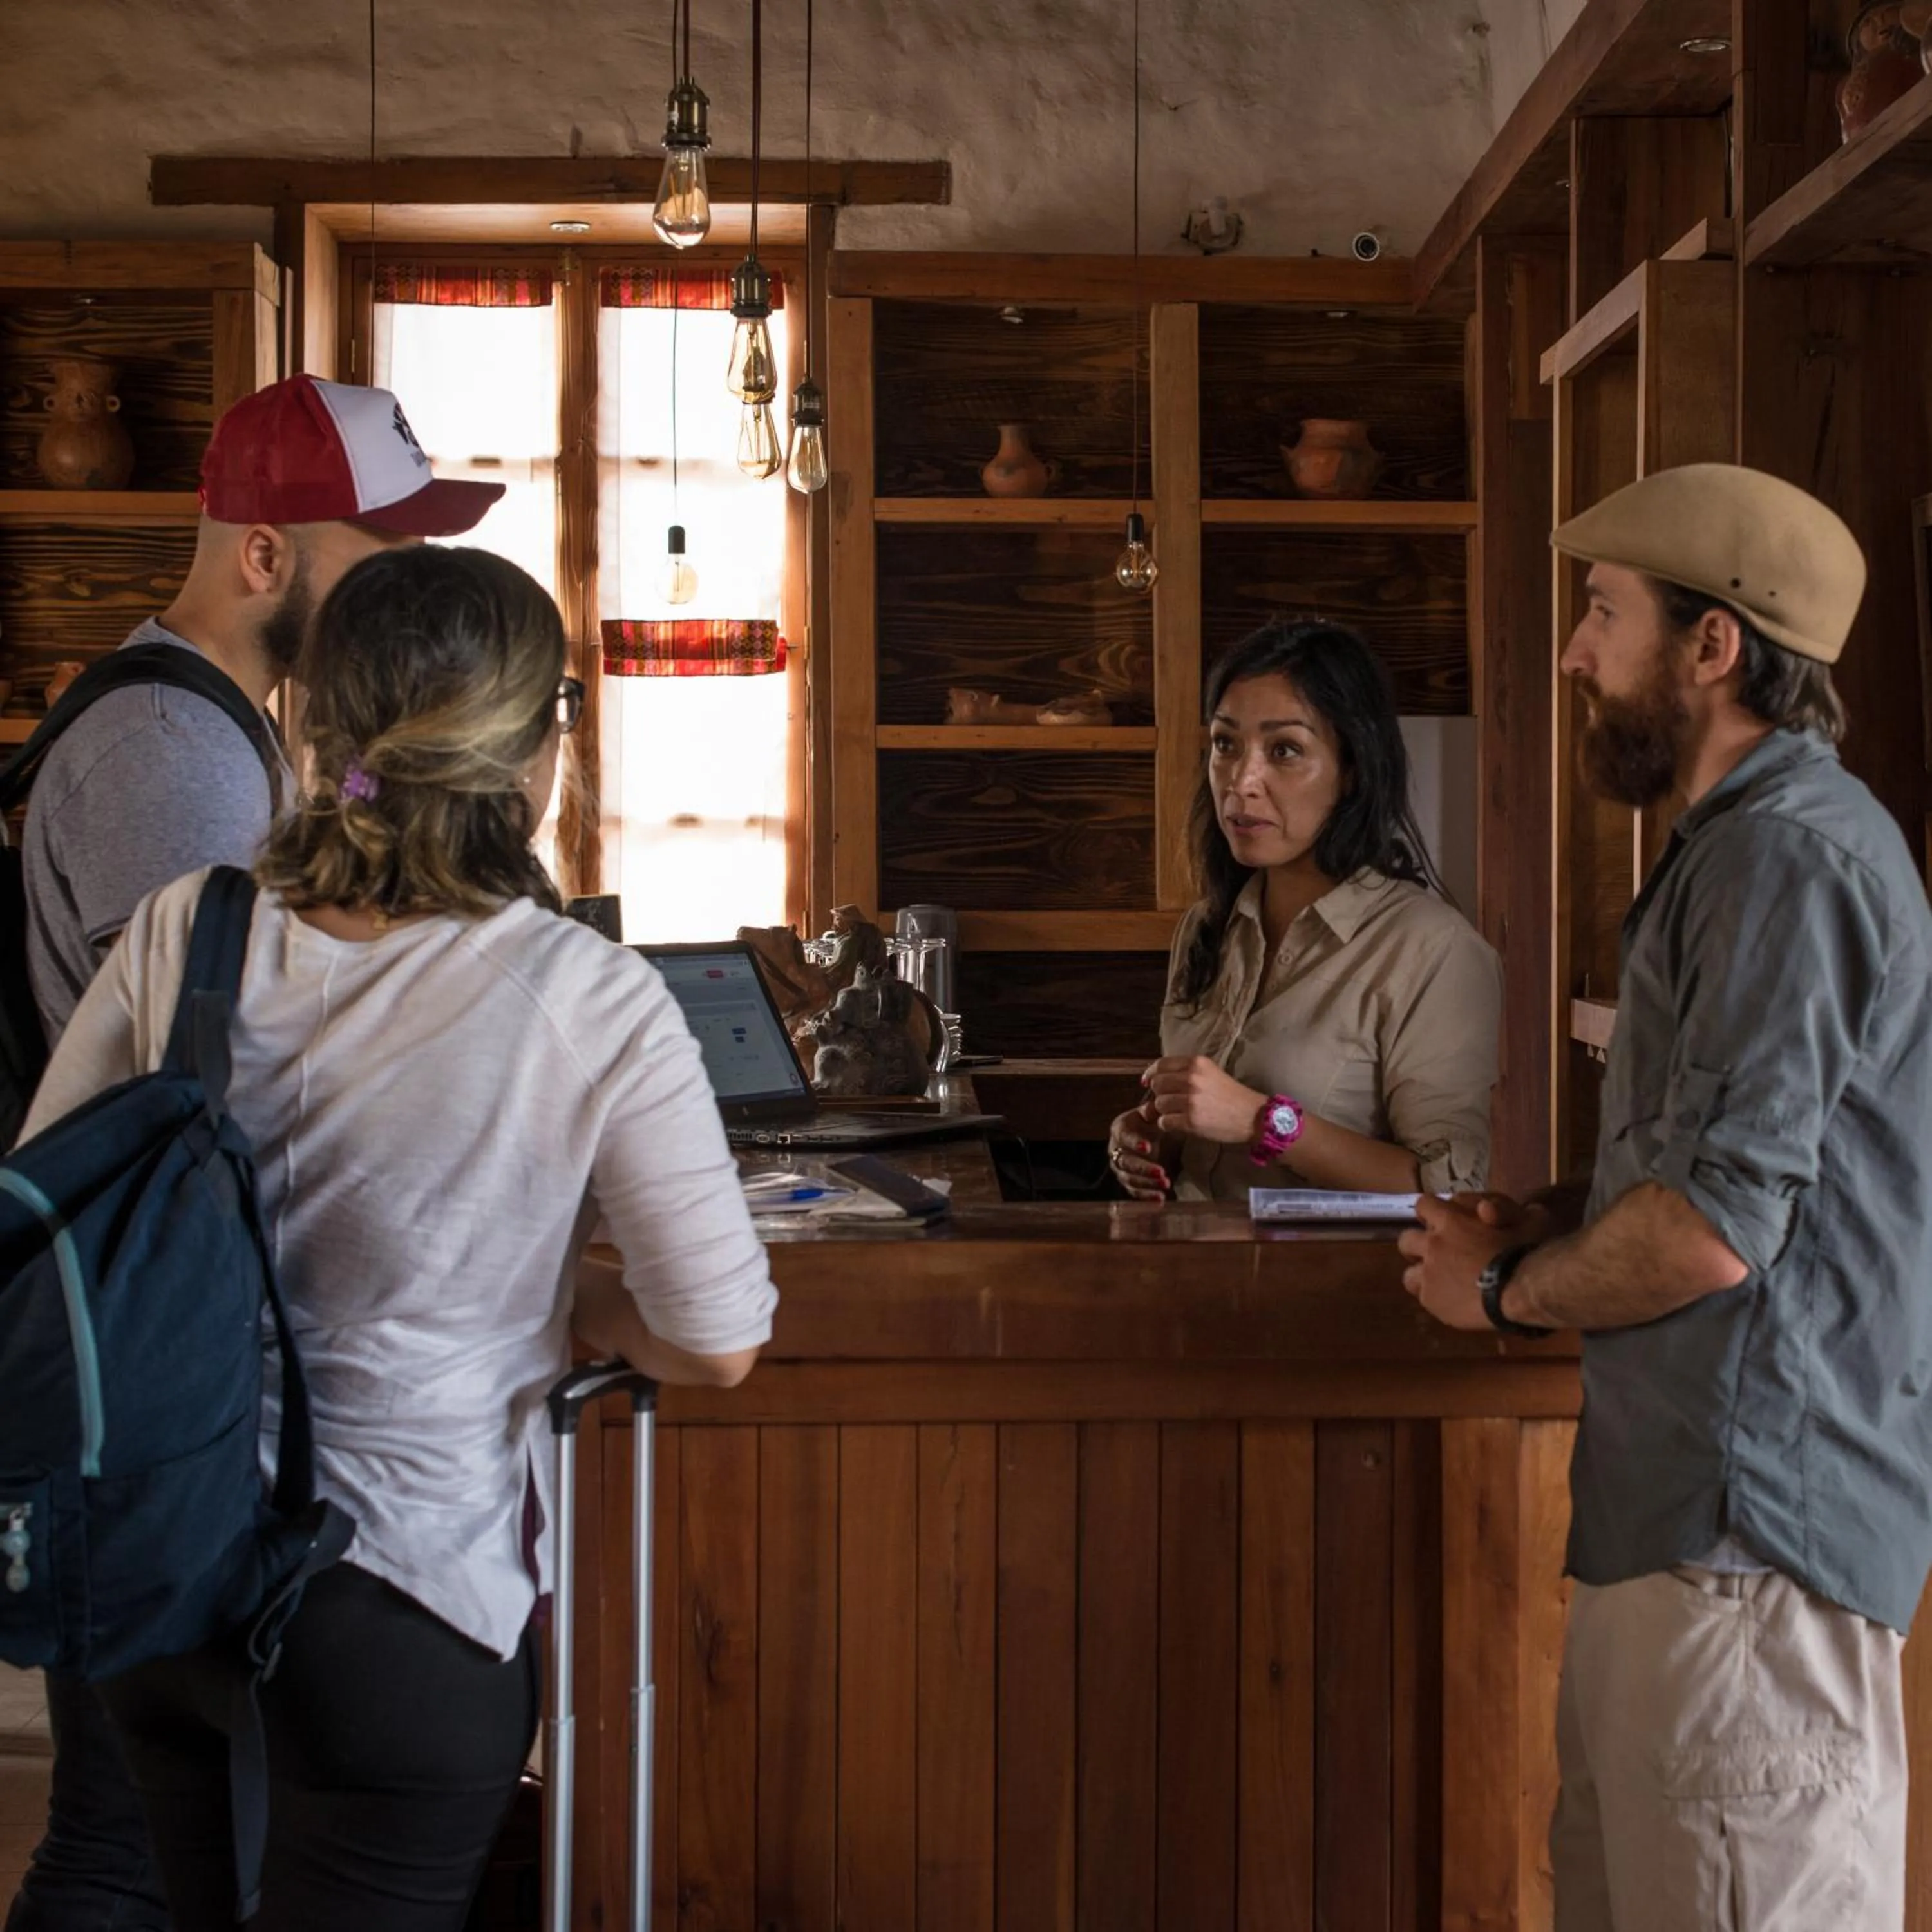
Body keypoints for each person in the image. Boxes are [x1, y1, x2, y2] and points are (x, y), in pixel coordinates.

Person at [21, 544, 776, 1931]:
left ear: (314, 723)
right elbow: (717, 1339)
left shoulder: (191, 928)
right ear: (537, 749)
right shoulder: (587, 995)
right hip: (405, 1597)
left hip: (168, 1562)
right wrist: (577, 1301)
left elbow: (43, 1201)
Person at [1398, 464, 1932, 1931]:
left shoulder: (1783, 859)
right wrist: (1556, 1216)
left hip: (1747, 1546)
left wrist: (1499, 1293)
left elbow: (1711, 1230)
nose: (1574, 654)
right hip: (1693, 1541)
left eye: (1601, 612)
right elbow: (1705, 1171)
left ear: (1712, 645)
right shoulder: (1738, 851)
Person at [7, 373, 502, 1932]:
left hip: (168, 1350)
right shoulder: (171, 749)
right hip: (151, 1374)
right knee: (123, 1843)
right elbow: (229, 1070)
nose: (407, 585)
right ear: (268, 556)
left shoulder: (227, 733)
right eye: (382, 552)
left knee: (174, 1832)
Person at [1108, 617, 1500, 1202]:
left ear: (1352, 769)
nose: (1242, 781)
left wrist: (1263, 1122)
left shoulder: (1434, 950)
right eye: (1225, 744)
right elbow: (1198, 1124)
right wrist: (1151, 1136)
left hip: (1330, 1265)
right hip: (1183, 1250)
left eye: (1285, 750)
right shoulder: (1206, 927)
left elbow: (1450, 1191)